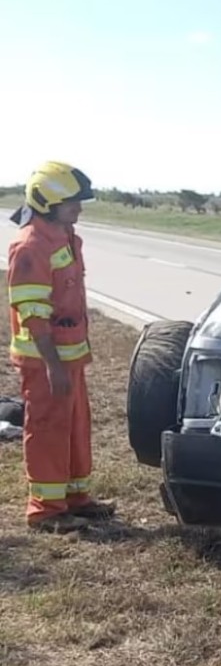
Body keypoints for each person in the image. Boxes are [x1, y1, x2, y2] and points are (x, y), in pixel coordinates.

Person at [8, 161, 115, 532]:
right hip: (44, 362)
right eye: (72, 202)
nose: (80, 208)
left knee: (74, 427)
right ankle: (46, 510)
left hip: (69, 357)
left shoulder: (66, 237)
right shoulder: (31, 246)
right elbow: (33, 315)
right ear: (47, 202)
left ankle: (75, 498)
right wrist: (53, 366)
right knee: (48, 429)